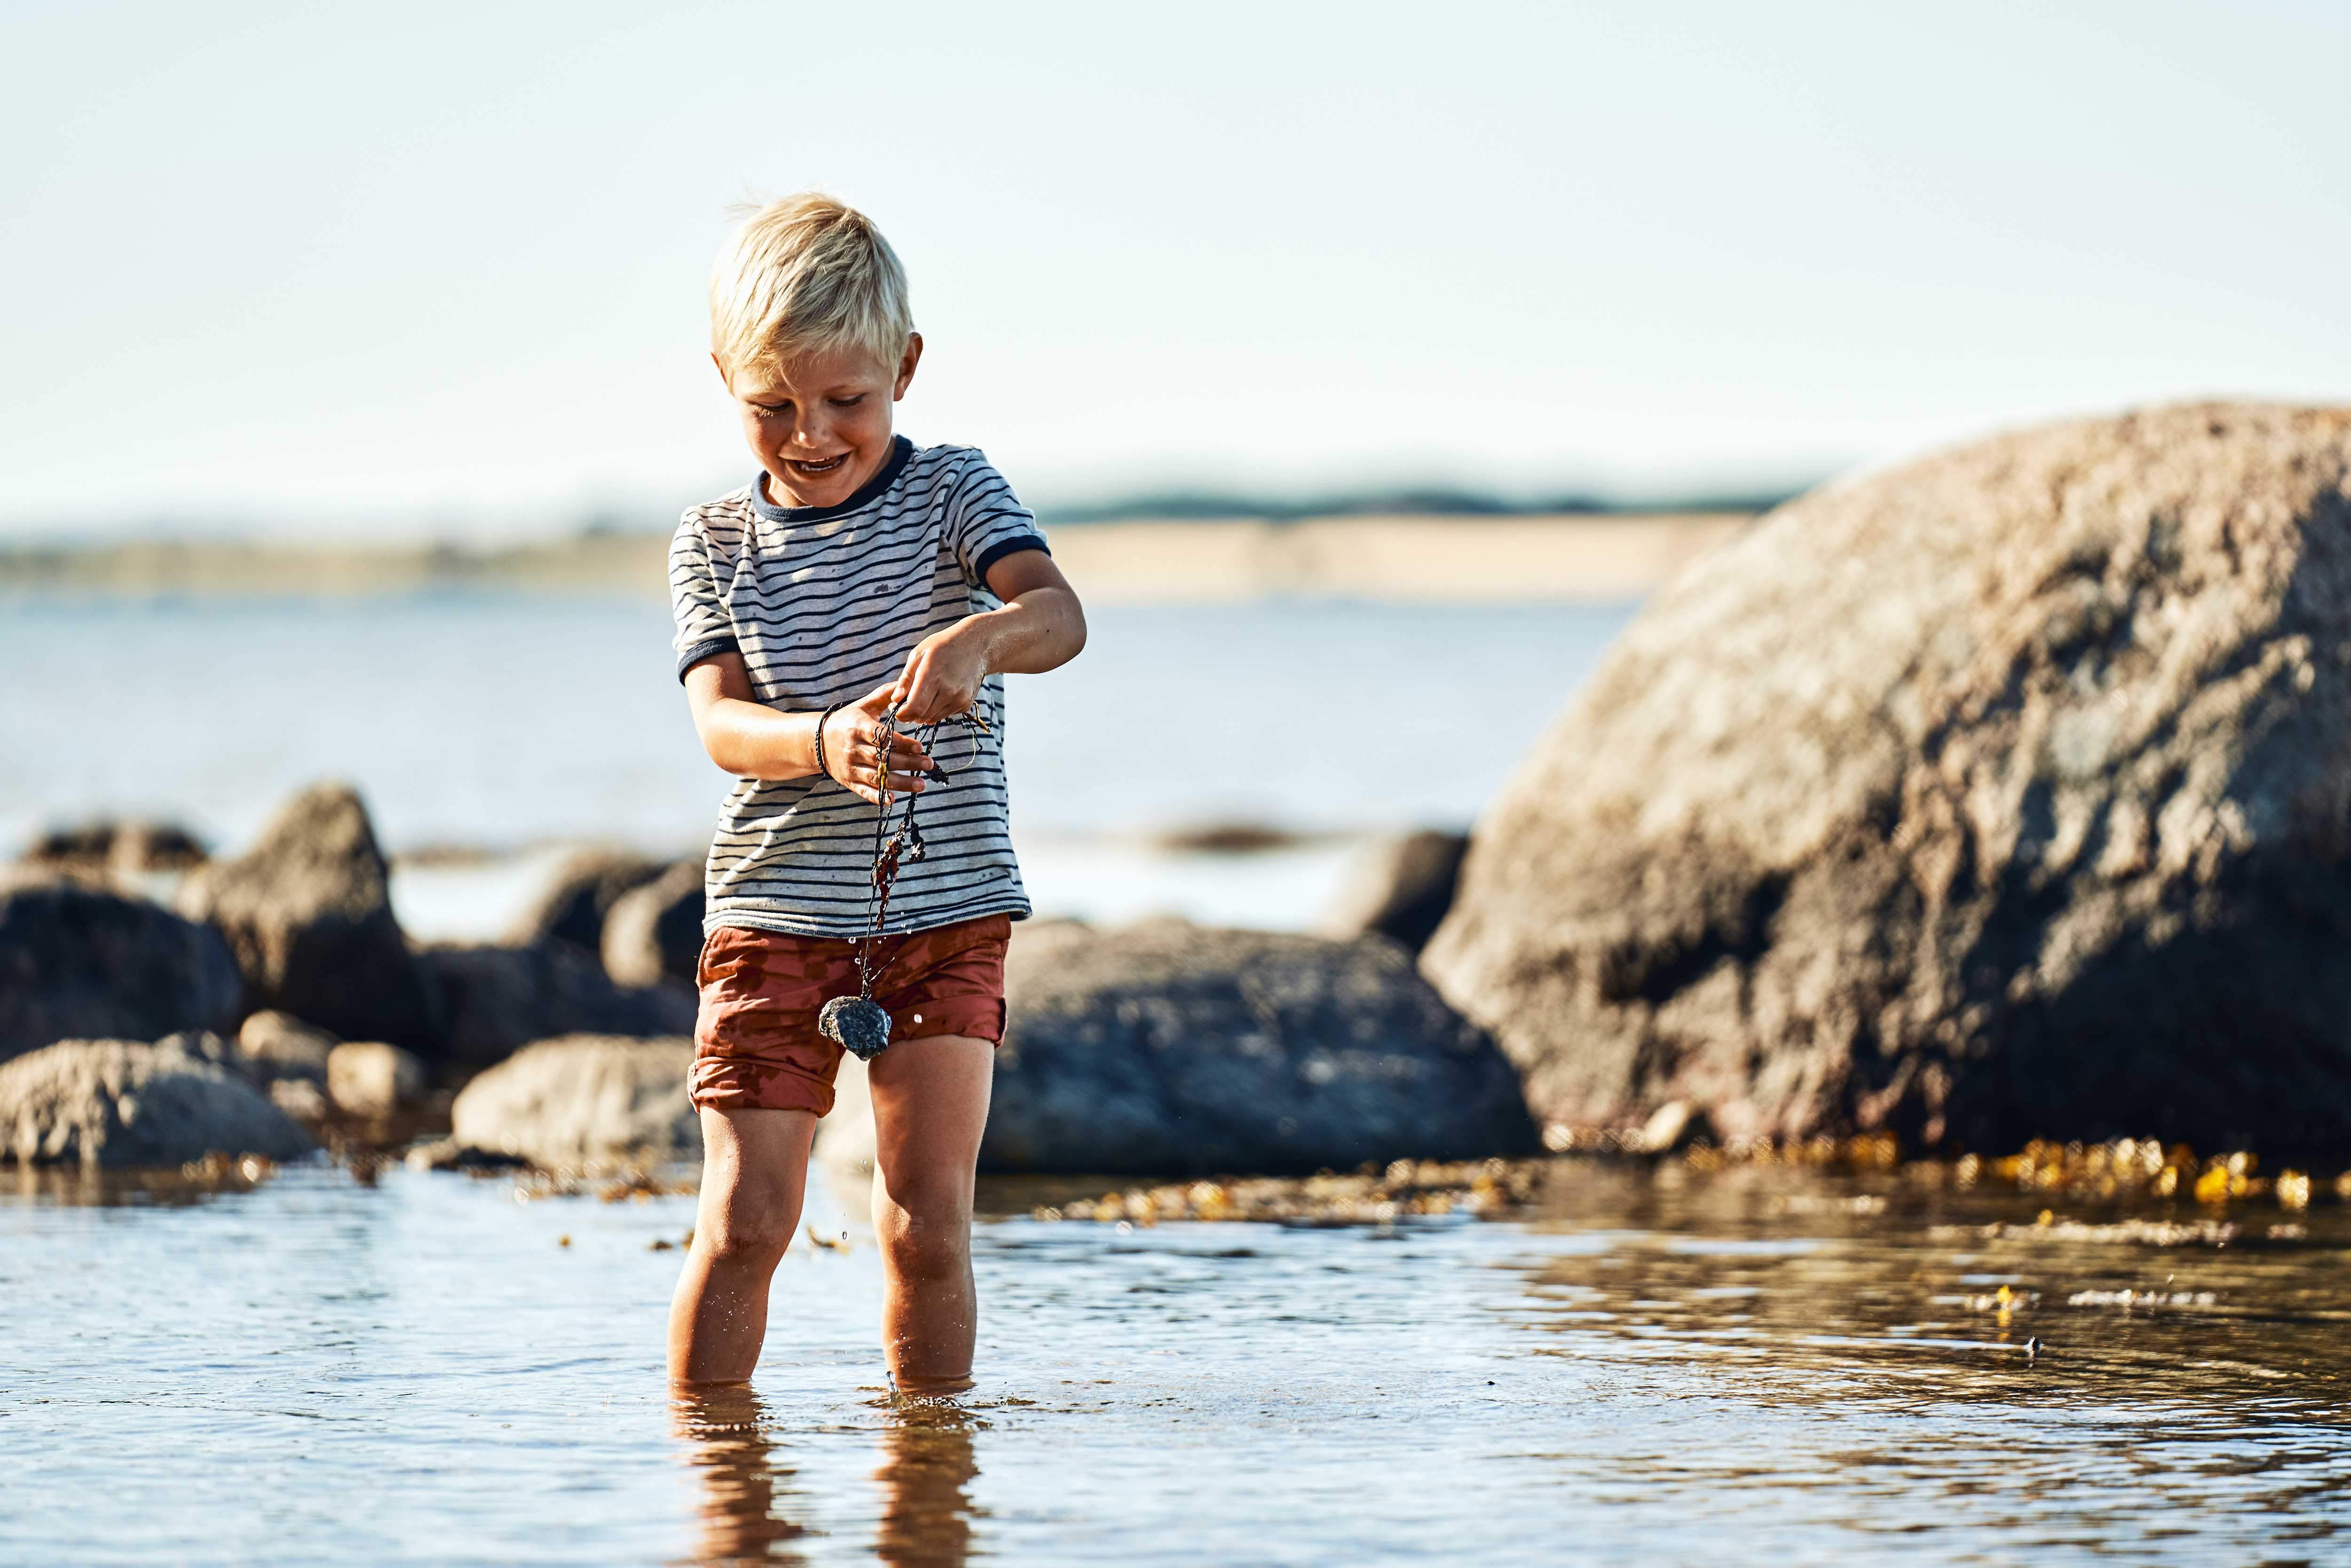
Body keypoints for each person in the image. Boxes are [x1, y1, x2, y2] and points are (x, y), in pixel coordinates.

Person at [664, 193, 1085, 1396]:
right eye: (772, 406)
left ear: (903, 366)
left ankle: (929, 1489)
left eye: (845, 400)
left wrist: (983, 643)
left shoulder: (955, 492)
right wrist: (821, 741)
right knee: (746, 1222)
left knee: (924, 1224)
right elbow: (720, 725)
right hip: (772, 919)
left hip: (945, 918)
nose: (809, 433)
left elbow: (1060, 616)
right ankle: (720, 1491)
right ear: (723, 380)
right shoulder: (712, 542)